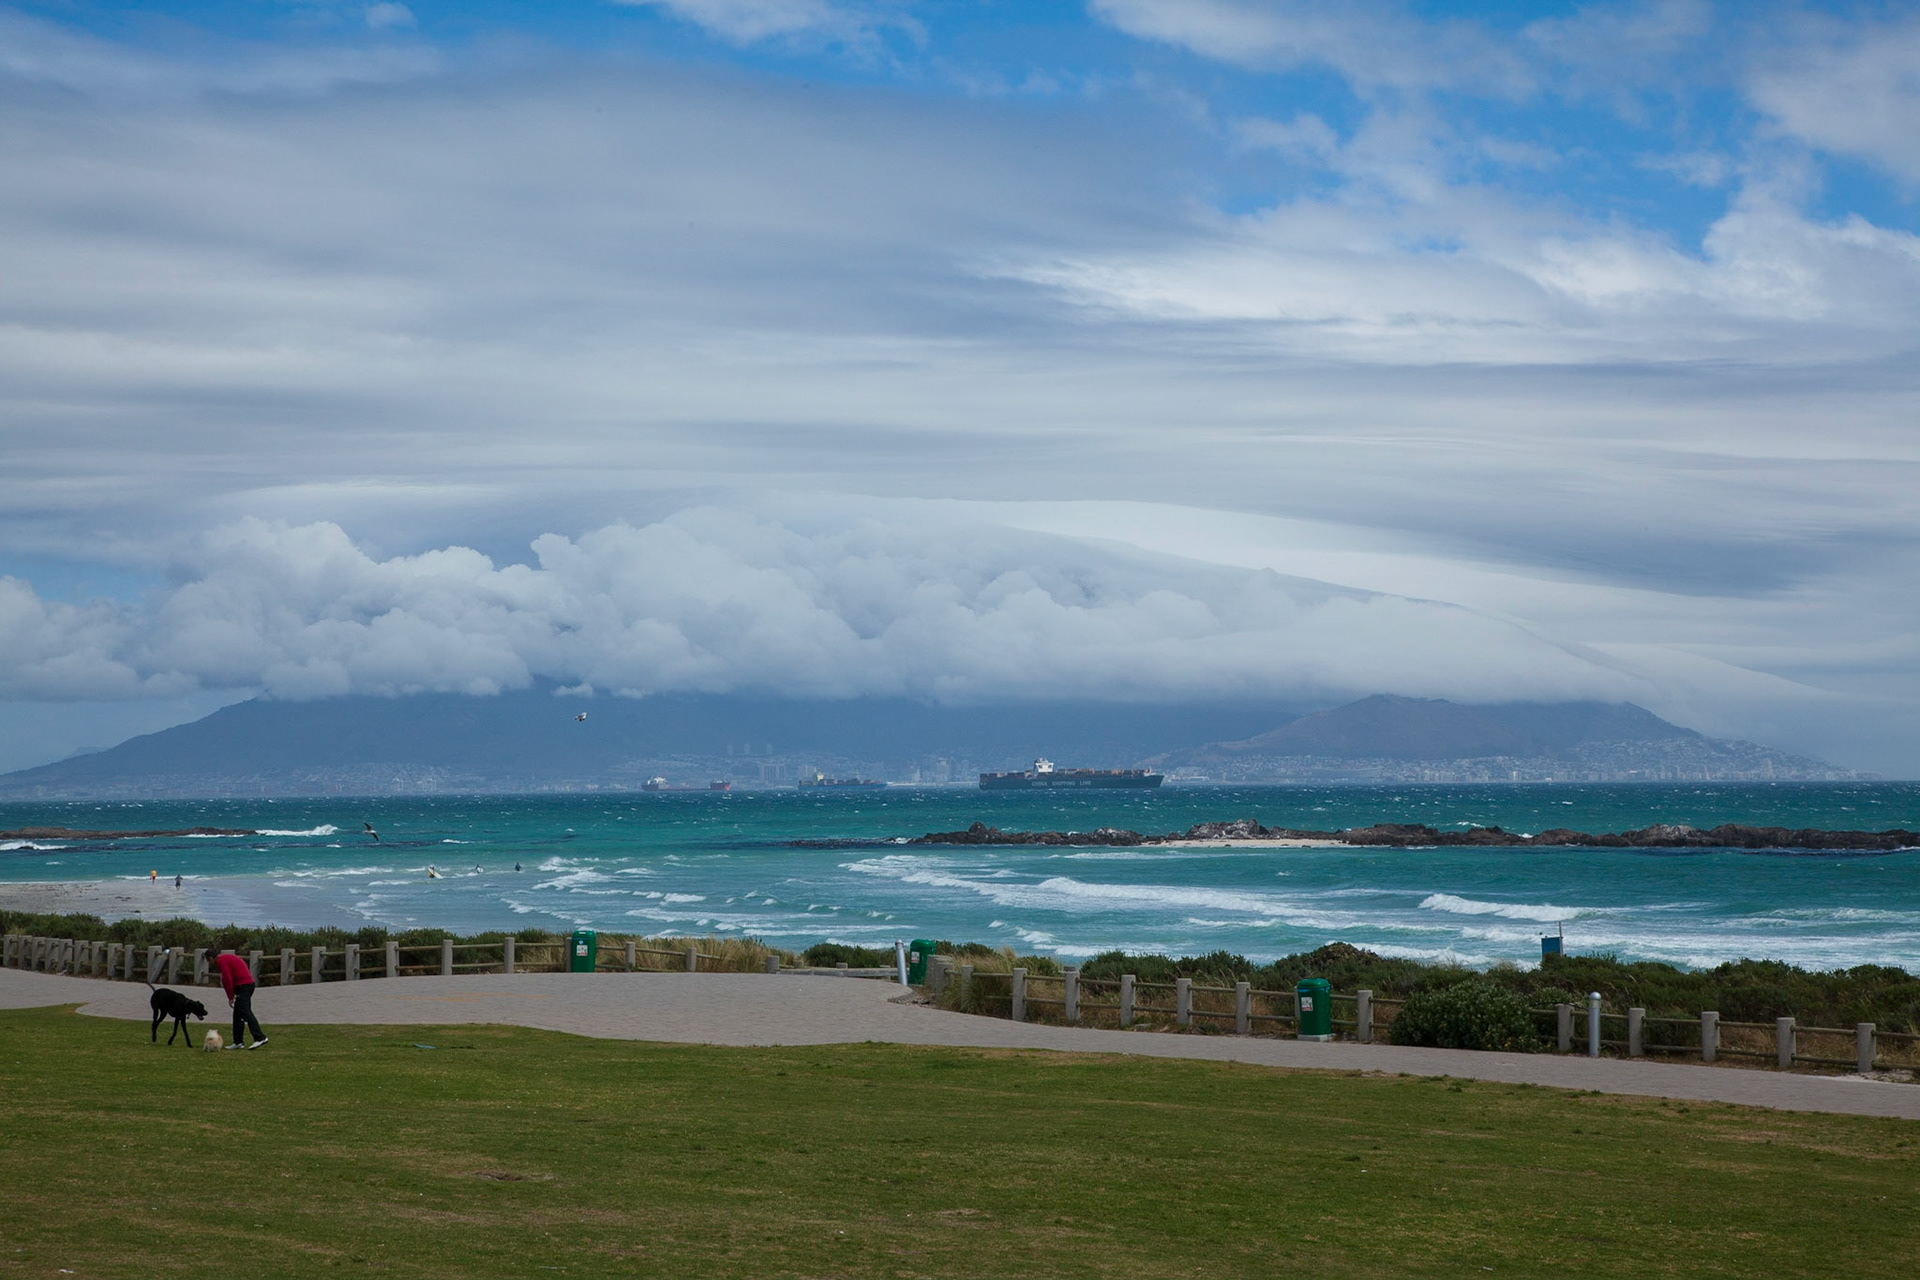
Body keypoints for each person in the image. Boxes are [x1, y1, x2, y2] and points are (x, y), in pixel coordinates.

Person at [209, 950, 268, 1050]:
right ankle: (238, 1042)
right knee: (237, 1014)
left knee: (245, 1012)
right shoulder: (226, 957)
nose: (209, 963)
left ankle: (260, 1037)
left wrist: (230, 996)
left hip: (244, 986)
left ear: (210, 958)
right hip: (246, 985)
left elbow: (226, 978)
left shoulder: (221, 961)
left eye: (208, 961)